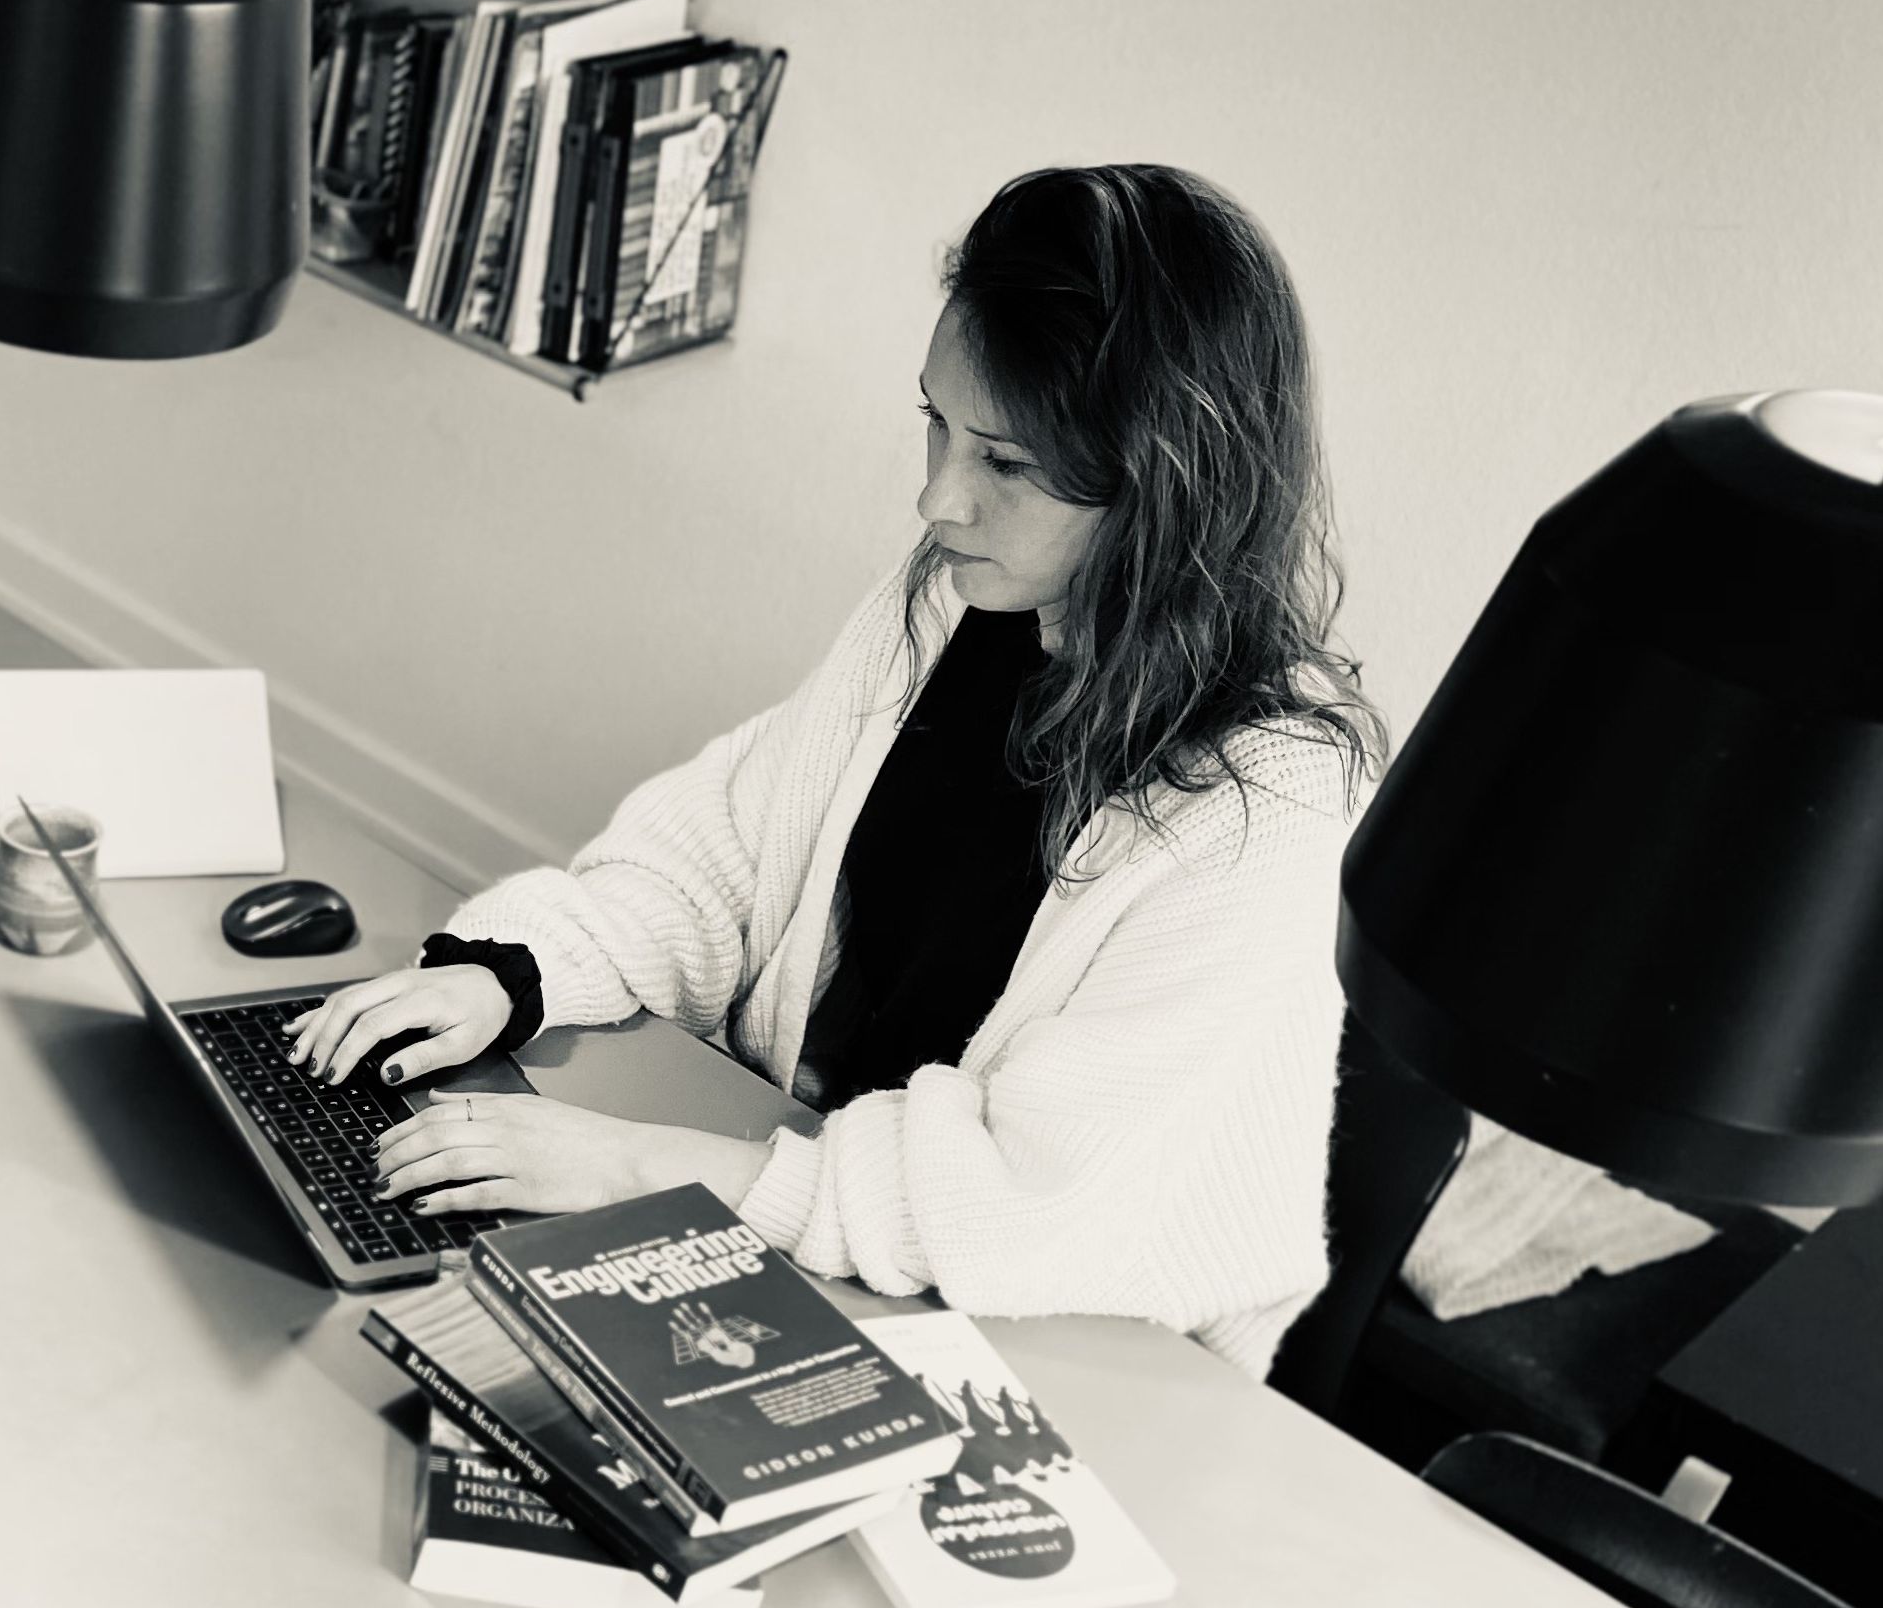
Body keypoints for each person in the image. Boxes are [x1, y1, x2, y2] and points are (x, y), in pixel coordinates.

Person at [283, 164, 1390, 1378]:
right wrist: (515, 973)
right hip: (804, 1211)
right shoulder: (954, 601)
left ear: (1166, 490)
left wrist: (644, 1165)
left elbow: (1022, 1204)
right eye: (936, 422)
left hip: (1078, 1352)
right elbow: (732, 857)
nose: (937, 497)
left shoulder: (1267, 796)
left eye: (1006, 464)